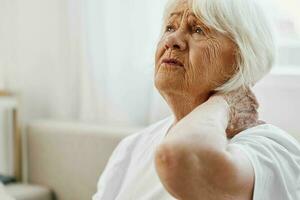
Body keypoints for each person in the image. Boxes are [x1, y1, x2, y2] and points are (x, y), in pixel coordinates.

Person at [93, 0, 300, 199]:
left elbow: (181, 158)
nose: (172, 41)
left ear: (240, 60)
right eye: (170, 27)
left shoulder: (272, 149)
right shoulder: (132, 148)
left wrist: (224, 102)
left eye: (198, 30)